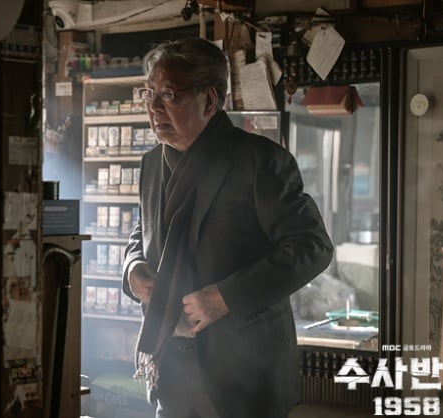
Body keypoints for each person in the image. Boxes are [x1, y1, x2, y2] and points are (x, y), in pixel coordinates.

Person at [122, 38, 334, 418]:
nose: (153, 108)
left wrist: (227, 296)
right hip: (170, 364)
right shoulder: (152, 163)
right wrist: (132, 269)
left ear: (209, 100)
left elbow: (312, 247)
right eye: (148, 93)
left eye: (168, 94)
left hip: (244, 374)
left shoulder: (259, 161)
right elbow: (145, 231)